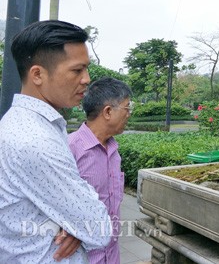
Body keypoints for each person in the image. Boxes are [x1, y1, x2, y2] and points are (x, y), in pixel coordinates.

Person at [0, 20, 111, 262]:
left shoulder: (29, 124)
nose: (86, 79)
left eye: (86, 69)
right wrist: (77, 223)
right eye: (76, 70)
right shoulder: (34, 140)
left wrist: (73, 223)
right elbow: (99, 227)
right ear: (38, 74)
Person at [68, 77, 132, 264]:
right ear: (108, 111)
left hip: (111, 256)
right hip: (82, 257)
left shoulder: (114, 150)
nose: (129, 114)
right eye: (127, 108)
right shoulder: (69, 149)